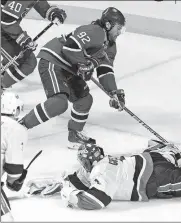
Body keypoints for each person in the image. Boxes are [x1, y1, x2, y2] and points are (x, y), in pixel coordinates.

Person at [26, 140, 181, 210]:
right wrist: (51, 185)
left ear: (88, 161)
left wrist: (70, 195)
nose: (80, 166)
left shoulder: (102, 172)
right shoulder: (105, 161)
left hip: (156, 181)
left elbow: (96, 201)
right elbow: (78, 178)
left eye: (81, 162)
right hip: (153, 158)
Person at [19, 7, 126, 150]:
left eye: (122, 29)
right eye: (118, 28)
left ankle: (74, 135)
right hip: (53, 61)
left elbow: (105, 70)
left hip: (69, 69)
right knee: (59, 103)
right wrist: (83, 65)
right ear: (108, 25)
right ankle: (18, 127)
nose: (120, 32)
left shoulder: (110, 46)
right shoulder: (95, 31)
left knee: (84, 100)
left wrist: (113, 92)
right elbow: (70, 47)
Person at [1, 0, 67, 89]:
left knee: (19, 58)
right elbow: (7, 21)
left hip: (5, 30)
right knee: (27, 61)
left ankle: (3, 76)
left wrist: (52, 12)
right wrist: (23, 39)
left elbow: (39, 2)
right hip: (4, 30)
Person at [1, 91, 29, 221]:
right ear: (15, 109)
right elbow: (14, 165)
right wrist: (14, 182)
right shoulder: (15, 128)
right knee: (6, 219)